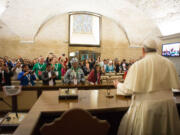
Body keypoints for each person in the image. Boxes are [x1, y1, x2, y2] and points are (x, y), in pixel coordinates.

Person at [114, 39, 180, 135]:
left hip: (147, 109)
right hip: (168, 107)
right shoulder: (169, 63)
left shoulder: (137, 65)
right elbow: (176, 85)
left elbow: (127, 90)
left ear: (143, 50)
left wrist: (118, 85)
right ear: (156, 49)